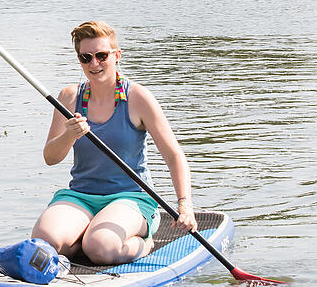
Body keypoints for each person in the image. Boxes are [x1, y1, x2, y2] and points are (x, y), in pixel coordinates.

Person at [33, 20, 197, 265]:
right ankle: (81, 240)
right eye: (85, 58)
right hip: (81, 195)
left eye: (101, 55)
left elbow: (174, 155)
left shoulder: (138, 98)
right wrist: (69, 134)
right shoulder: (69, 97)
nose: (94, 64)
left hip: (130, 198)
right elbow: (51, 158)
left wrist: (185, 205)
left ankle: (143, 243)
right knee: (44, 243)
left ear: (116, 55)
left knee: (100, 248)